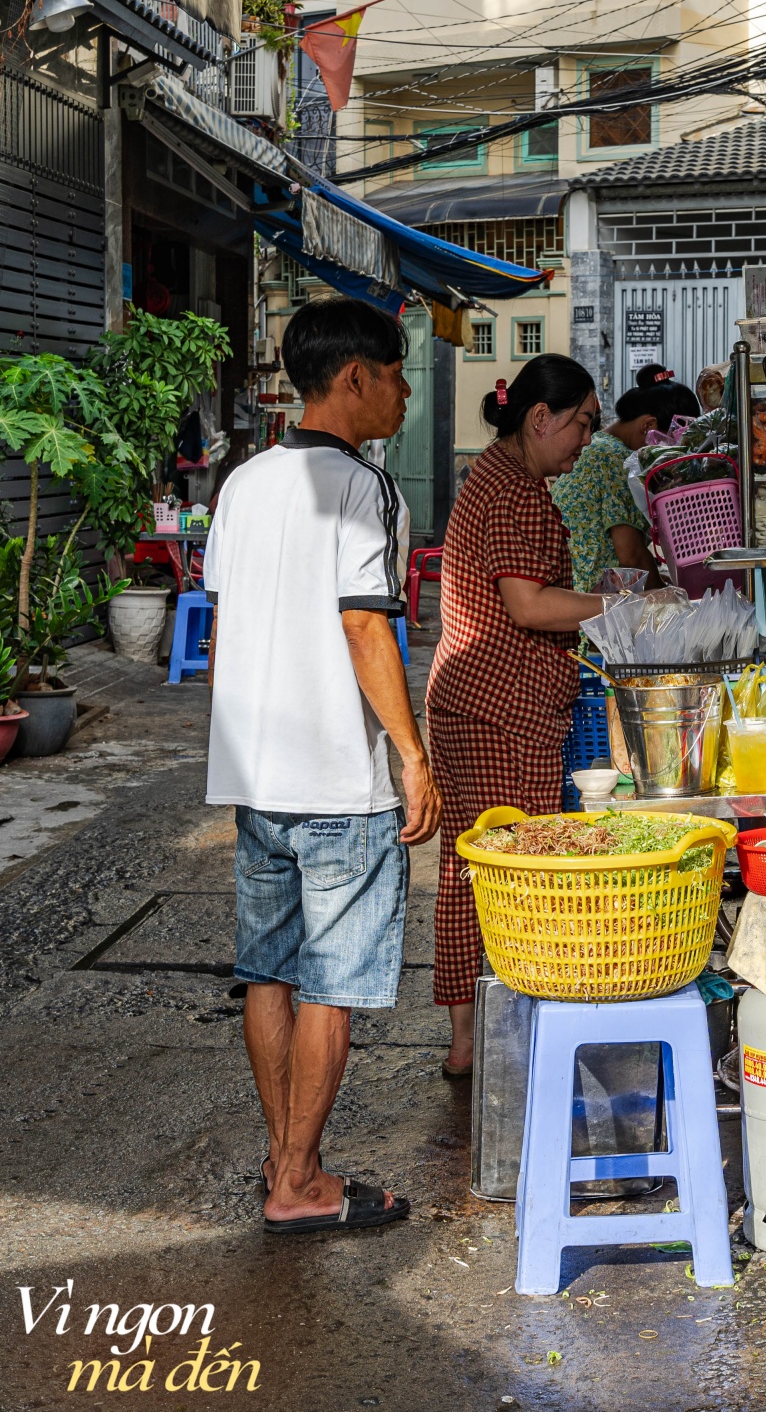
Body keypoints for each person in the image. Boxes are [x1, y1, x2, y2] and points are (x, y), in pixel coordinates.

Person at [204, 298, 441, 1234]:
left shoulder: (242, 482)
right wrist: (412, 760)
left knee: (270, 974)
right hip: (339, 781)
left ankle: (284, 1156)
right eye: (395, 374)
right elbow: (363, 624)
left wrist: (234, 748)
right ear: (355, 377)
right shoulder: (364, 488)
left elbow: (221, 637)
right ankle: (299, 1183)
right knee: (332, 987)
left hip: (254, 773)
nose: (403, 394)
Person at [424, 355, 607, 1077]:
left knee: (472, 867)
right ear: (541, 418)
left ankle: (471, 1041)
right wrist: (625, 606)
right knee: (509, 872)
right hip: (504, 705)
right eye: (582, 424)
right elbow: (528, 605)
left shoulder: (495, 477)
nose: (586, 440)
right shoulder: (517, 492)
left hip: (474, 698)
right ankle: (495, 1040)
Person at [553, 384, 670, 593]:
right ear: (648, 425)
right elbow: (631, 554)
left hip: (573, 589)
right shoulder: (619, 460)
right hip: (588, 603)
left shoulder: (599, 446)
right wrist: (667, 594)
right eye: (669, 446)